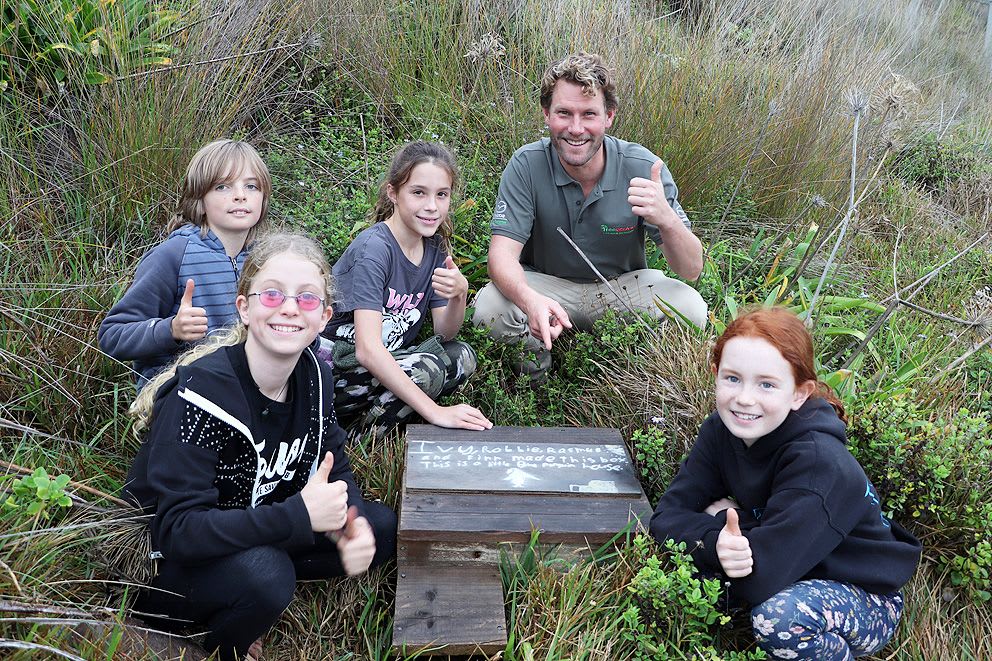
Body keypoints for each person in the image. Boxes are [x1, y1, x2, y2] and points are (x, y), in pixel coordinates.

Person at [123, 233, 397, 661]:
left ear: (324, 317)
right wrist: (297, 516)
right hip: (164, 561)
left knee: (381, 526)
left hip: (248, 521)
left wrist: (352, 523)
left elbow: (334, 464)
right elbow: (177, 532)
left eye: (307, 298)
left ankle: (245, 590)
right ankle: (219, 640)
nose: (289, 307)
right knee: (268, 576)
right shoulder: (201, 397)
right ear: (244, 308)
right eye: (271, 294)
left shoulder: (315, 377)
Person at [650, 307, 921, 660]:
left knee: (779, 617)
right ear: (715, 374)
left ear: (799, 393)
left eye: (766, 384)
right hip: (789, 560)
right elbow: (665, 518)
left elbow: (758, 580)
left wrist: (725, 522)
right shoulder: (720, 430)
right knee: (679, 577)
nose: (745, 398)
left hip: (862, 591)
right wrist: (718, 543)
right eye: (732, 378)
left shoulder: (819, 463)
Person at [472, 51, 708, 380]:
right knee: (489, 309)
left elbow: (692, 269)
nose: (576, 128)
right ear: (546, 114)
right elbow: (501, 257)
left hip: (621, 289)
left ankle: (628, 378)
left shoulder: (643, 167)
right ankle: (534, 379)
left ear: (609, 117)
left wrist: (667, 219)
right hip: (547, 284)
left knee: (691, 310)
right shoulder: (527, 164)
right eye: (564, 113)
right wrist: (530, 301)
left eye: (589, 114)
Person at [320, 141, 492, 434]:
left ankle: (373, 415)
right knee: (424, 369)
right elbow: (367, 350)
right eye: (418, 193)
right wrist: (436, 412)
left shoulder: (435, 247)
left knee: (462, 356)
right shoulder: (375, 249)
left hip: (387, 362)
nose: (431, 206)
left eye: (441, 194)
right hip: (336, 370)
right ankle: (358, 439)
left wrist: (459, 295)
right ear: (393, 193)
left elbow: (444, 333)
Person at [99, 139, 271, 386]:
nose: (240, 196)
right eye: (223, 186)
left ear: (263, 198)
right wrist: (171, 330)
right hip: (177, 395)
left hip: (242, 393)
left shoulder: (265, 260)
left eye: (252, 186)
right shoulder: (173, 255)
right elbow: (112, 336)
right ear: (200, 199)